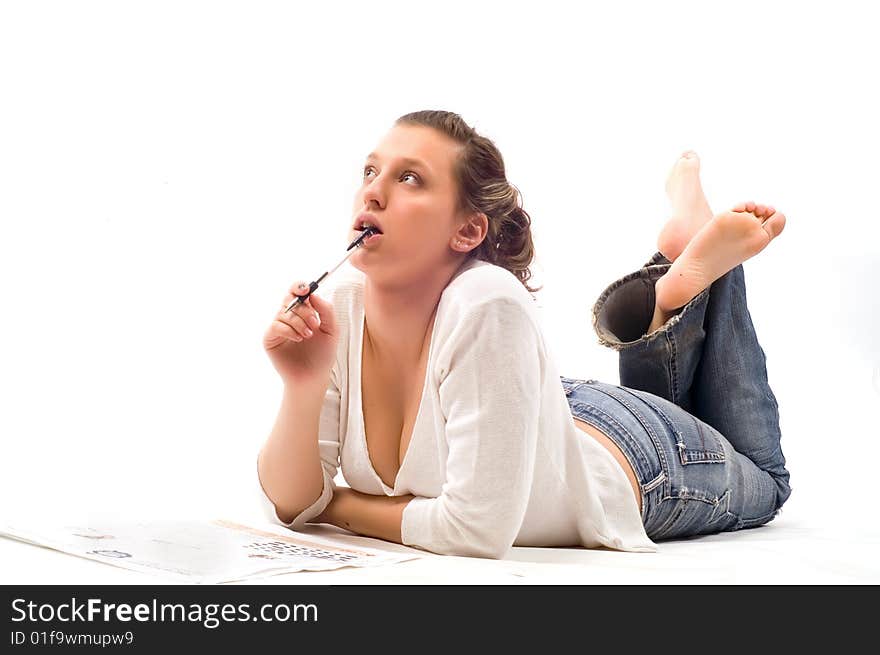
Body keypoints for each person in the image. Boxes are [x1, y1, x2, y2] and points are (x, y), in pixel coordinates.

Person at [255, 110, 791, 559]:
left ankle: (695, 282)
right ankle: (675, 280)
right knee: (693, 417)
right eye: (371, 171)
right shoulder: (343, 302)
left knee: (766, 483)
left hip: (636, 458)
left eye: (409, 177)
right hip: (548, 408)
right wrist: (302, 385)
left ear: (467, 230)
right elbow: (290, 500)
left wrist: (335, 505)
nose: (373, 191)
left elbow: (474, 532)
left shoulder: (487, 301)